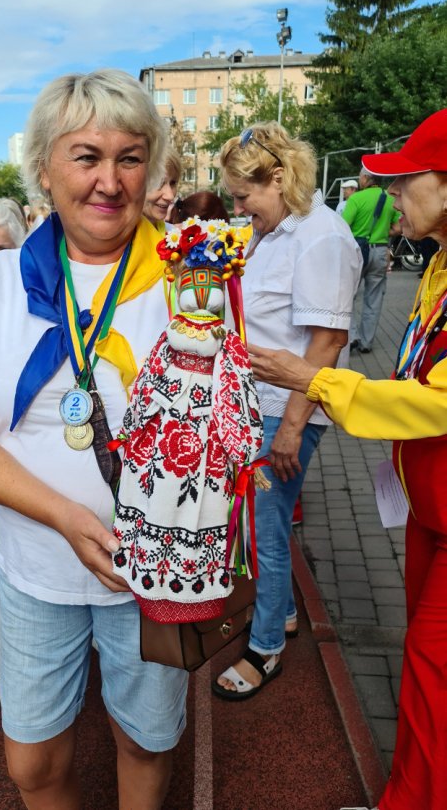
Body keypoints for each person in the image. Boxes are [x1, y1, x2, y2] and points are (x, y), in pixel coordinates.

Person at [0, 68, 190, 810]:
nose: (110, 180)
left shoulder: (188, 276)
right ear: (44, 168)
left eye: (130, 158)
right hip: (36, 563)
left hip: (152, 572)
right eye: (87, 157)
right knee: (33, 764)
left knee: (145, 743)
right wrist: (65, 517)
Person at [246, 108, 447, 810]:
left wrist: (310, 388)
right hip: (428, 506)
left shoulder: (325, 238)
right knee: (425, 668)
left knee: (429, 669)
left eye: (404, 181)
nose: (390, 196)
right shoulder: (437, 265)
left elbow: (436, 399)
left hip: (433, 502)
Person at [212, 122, 362, 701]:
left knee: (265, 530)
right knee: (260, 525)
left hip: (284, 410)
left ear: (278, 178)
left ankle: (266, 646)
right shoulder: (276, 231)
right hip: (260, 404)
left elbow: (326, 343)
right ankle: (283, 613)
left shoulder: (322, 237)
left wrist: (293, 428)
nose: (238, 208)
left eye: (243, 196)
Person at [344, 169, 401, 354]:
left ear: (365, 178)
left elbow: (343, 226)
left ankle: (352, 336)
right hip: (380, 251)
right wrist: (382, 233)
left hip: (358, 252)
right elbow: (398, 228)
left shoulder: (356, 199)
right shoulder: (390, 199)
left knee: (347, 296)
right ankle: (366, 342)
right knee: (374, 298)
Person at [143, 146, 182, 233]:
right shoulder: (118, 238)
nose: (170, 196)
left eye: (173, 183)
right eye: (159, 183)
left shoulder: (174, 234)